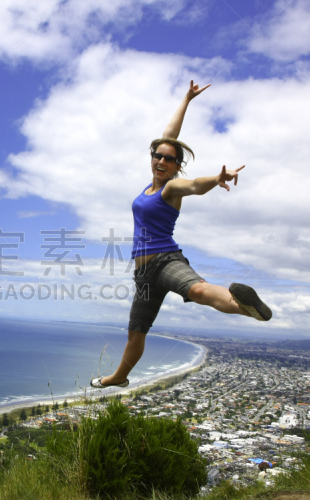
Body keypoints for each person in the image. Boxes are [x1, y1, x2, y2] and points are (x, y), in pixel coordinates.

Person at [91, 81, 272, 389]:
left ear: (176, 167)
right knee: (136, 332)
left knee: (199, 291)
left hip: (166, 261)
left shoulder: (172, 187)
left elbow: (195, 186)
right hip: (144, 275)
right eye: (158, 156)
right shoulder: (149, 185)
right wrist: (186, 99)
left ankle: (246, 307)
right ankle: (119, 377)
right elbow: (168, 136)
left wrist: (217, 178)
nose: (162, 161)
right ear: (152, 158)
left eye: (169, 159)